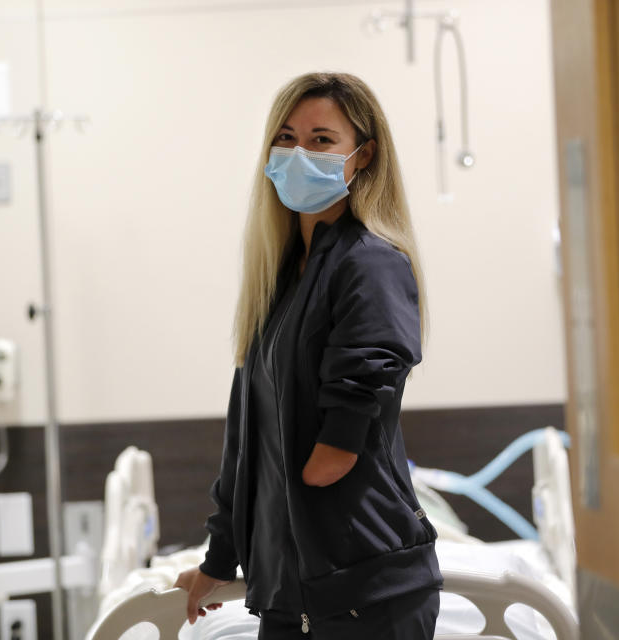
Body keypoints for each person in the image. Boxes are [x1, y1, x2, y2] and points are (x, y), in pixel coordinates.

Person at [175, 71, 441, 639]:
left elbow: (346, 426)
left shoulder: (369, 263)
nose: (299, 153)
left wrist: (325, 455)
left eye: (322, 139)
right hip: (288, 591)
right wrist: (218, 561)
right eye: (287, 137)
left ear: (363, 155)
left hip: (364, 588)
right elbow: (247, 445)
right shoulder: (278, 282)